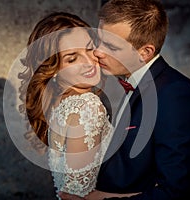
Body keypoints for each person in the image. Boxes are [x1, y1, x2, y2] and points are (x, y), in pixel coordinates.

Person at [59, 0, 190, 200]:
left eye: (111, 46)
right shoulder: (131, 84)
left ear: (145, 52)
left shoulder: (177, 98)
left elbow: (180, 194)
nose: (97, 52)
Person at [20, 12, 140, 199]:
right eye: (72, 58)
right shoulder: (87, 107)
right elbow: (78, 195)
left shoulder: (60, 104)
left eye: (90, 49)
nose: (89, 62)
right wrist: (151, 194)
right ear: (52, 69)